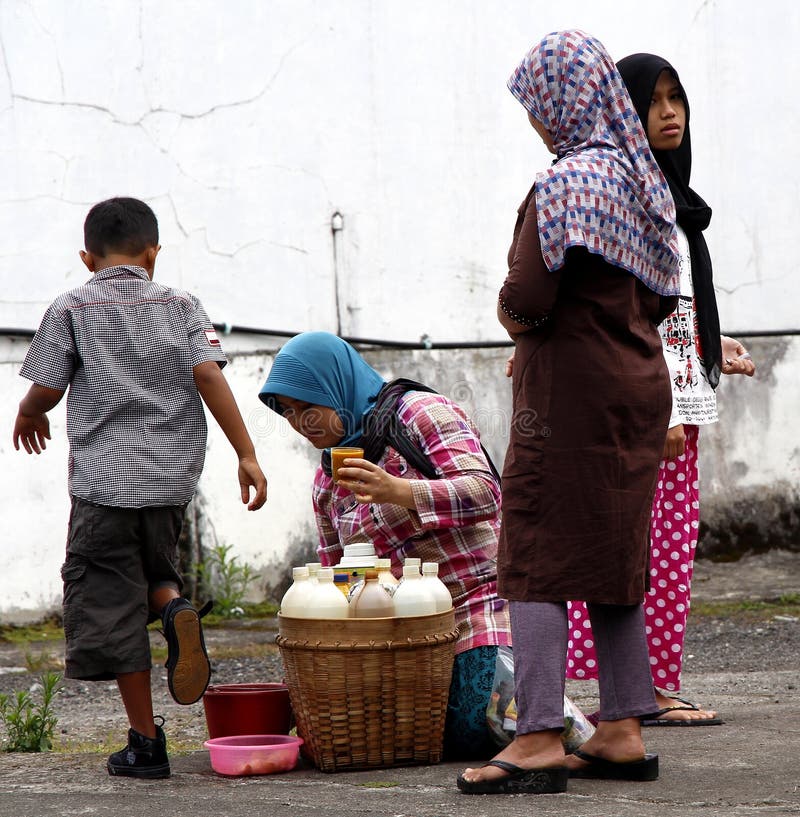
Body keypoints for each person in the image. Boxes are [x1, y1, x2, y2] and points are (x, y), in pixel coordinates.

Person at [457, 30, 681, 795]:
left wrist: (512, 316)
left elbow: (528, 298)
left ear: (563, 100)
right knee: (615, 553)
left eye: (536, 106)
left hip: (569, 395)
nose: (534, 122)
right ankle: (620, 726)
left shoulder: (561, 186)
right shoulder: (643, 180)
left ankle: (539, 734)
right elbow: (662, 298)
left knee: (535, 551)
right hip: (638, 391)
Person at [13, 197, 268, 779]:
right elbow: (208, 374)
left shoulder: (71, 306)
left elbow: (48, 386)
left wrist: (29, 412)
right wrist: (247, 453)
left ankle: (146, 744)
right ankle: (175, 606)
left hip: (105, 486)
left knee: (111, 601)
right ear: (153, 252)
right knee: (156, 569)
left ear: (86, 256)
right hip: (171, 481)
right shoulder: (183, 306)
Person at [566, 53, 756, 726]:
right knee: (653, 547)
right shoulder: (639, 202)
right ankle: (648, 692)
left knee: (663, 545)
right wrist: (665, 404)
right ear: (625, 112)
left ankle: (645, 686)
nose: (670, 112)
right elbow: (633, 312)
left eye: (678, 98)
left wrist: (714, 345)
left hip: (673, 395)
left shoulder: (670, 198)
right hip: (653, 404)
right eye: (654, 101)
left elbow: (677, 307)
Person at [258, 330, 511, 760]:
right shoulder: (328, 479)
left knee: (472, 728)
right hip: (396, 637)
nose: (302, 423)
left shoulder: (420, 414)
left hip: (474, 607)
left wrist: (399, 491)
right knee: (362, 731)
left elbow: (486, 492)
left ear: (336, 388)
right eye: (289, 413)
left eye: (309, 407)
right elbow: (336, 577)